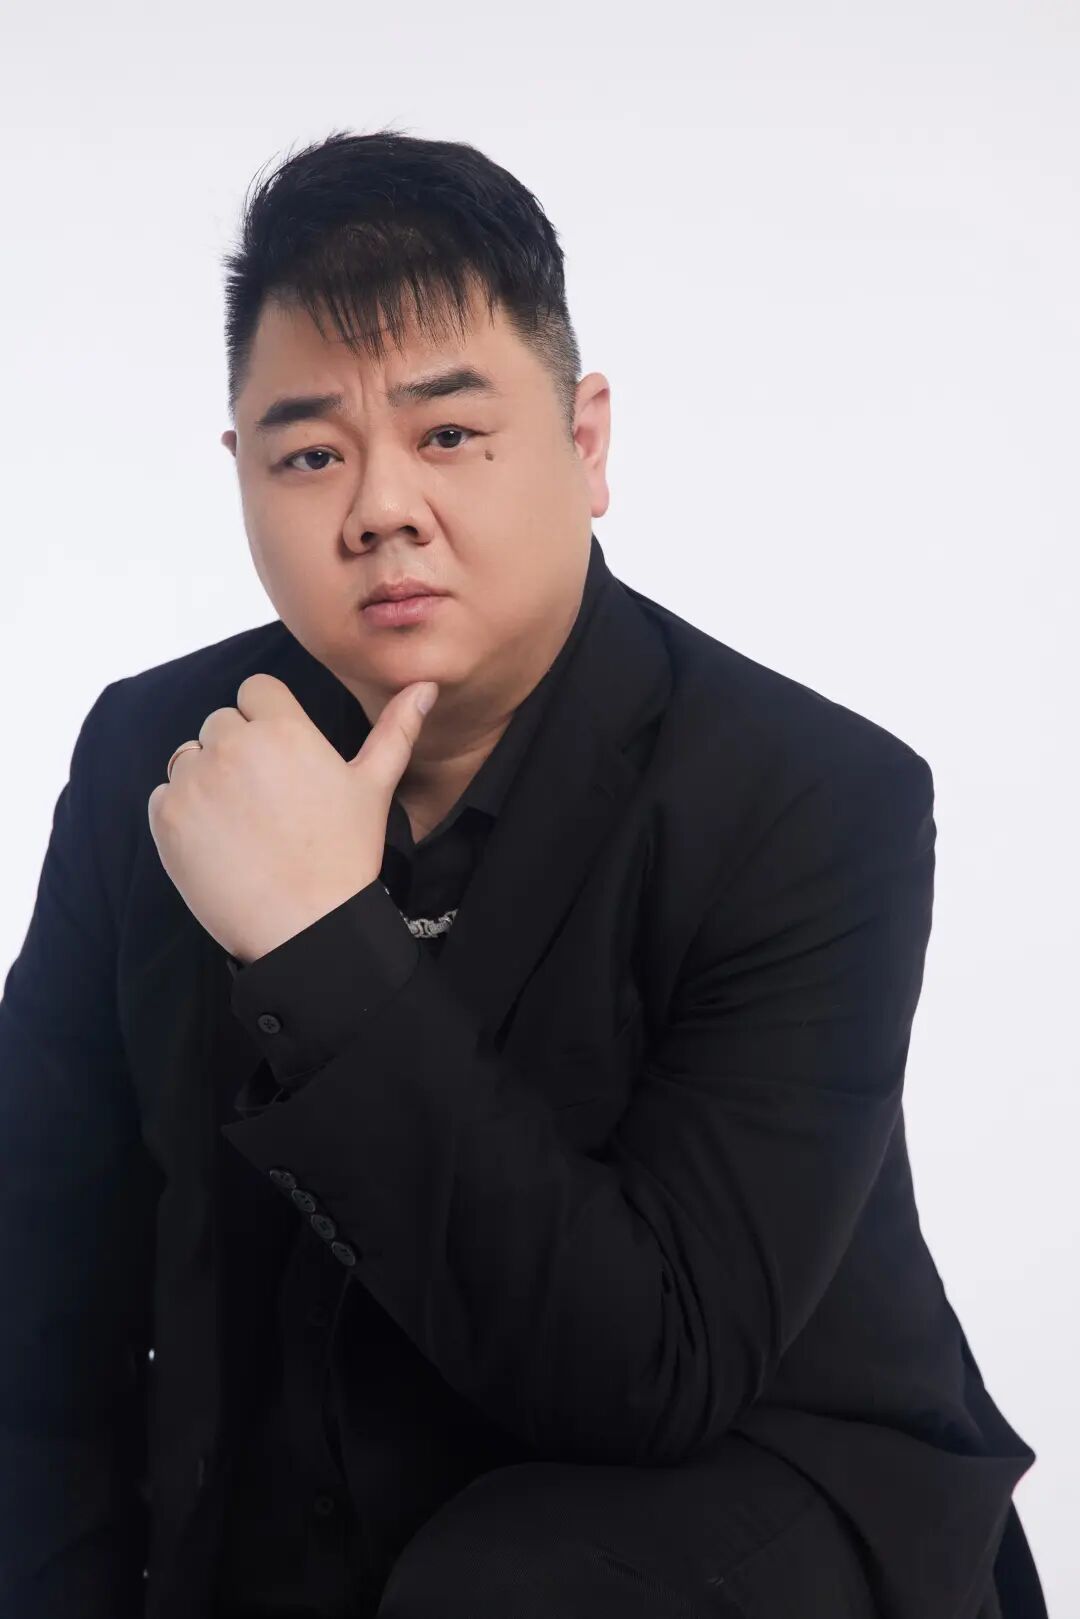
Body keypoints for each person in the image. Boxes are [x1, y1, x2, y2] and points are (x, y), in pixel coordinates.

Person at [0, 128, 1046, 1619]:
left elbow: (654, 1371)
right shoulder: (158, 759)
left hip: (740, 1516)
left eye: (448, 435)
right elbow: (41, 1303)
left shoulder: (812, 801)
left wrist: (316, 943)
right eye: (311, 454)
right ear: (241, 475)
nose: (380, 507)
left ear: (586, 442)